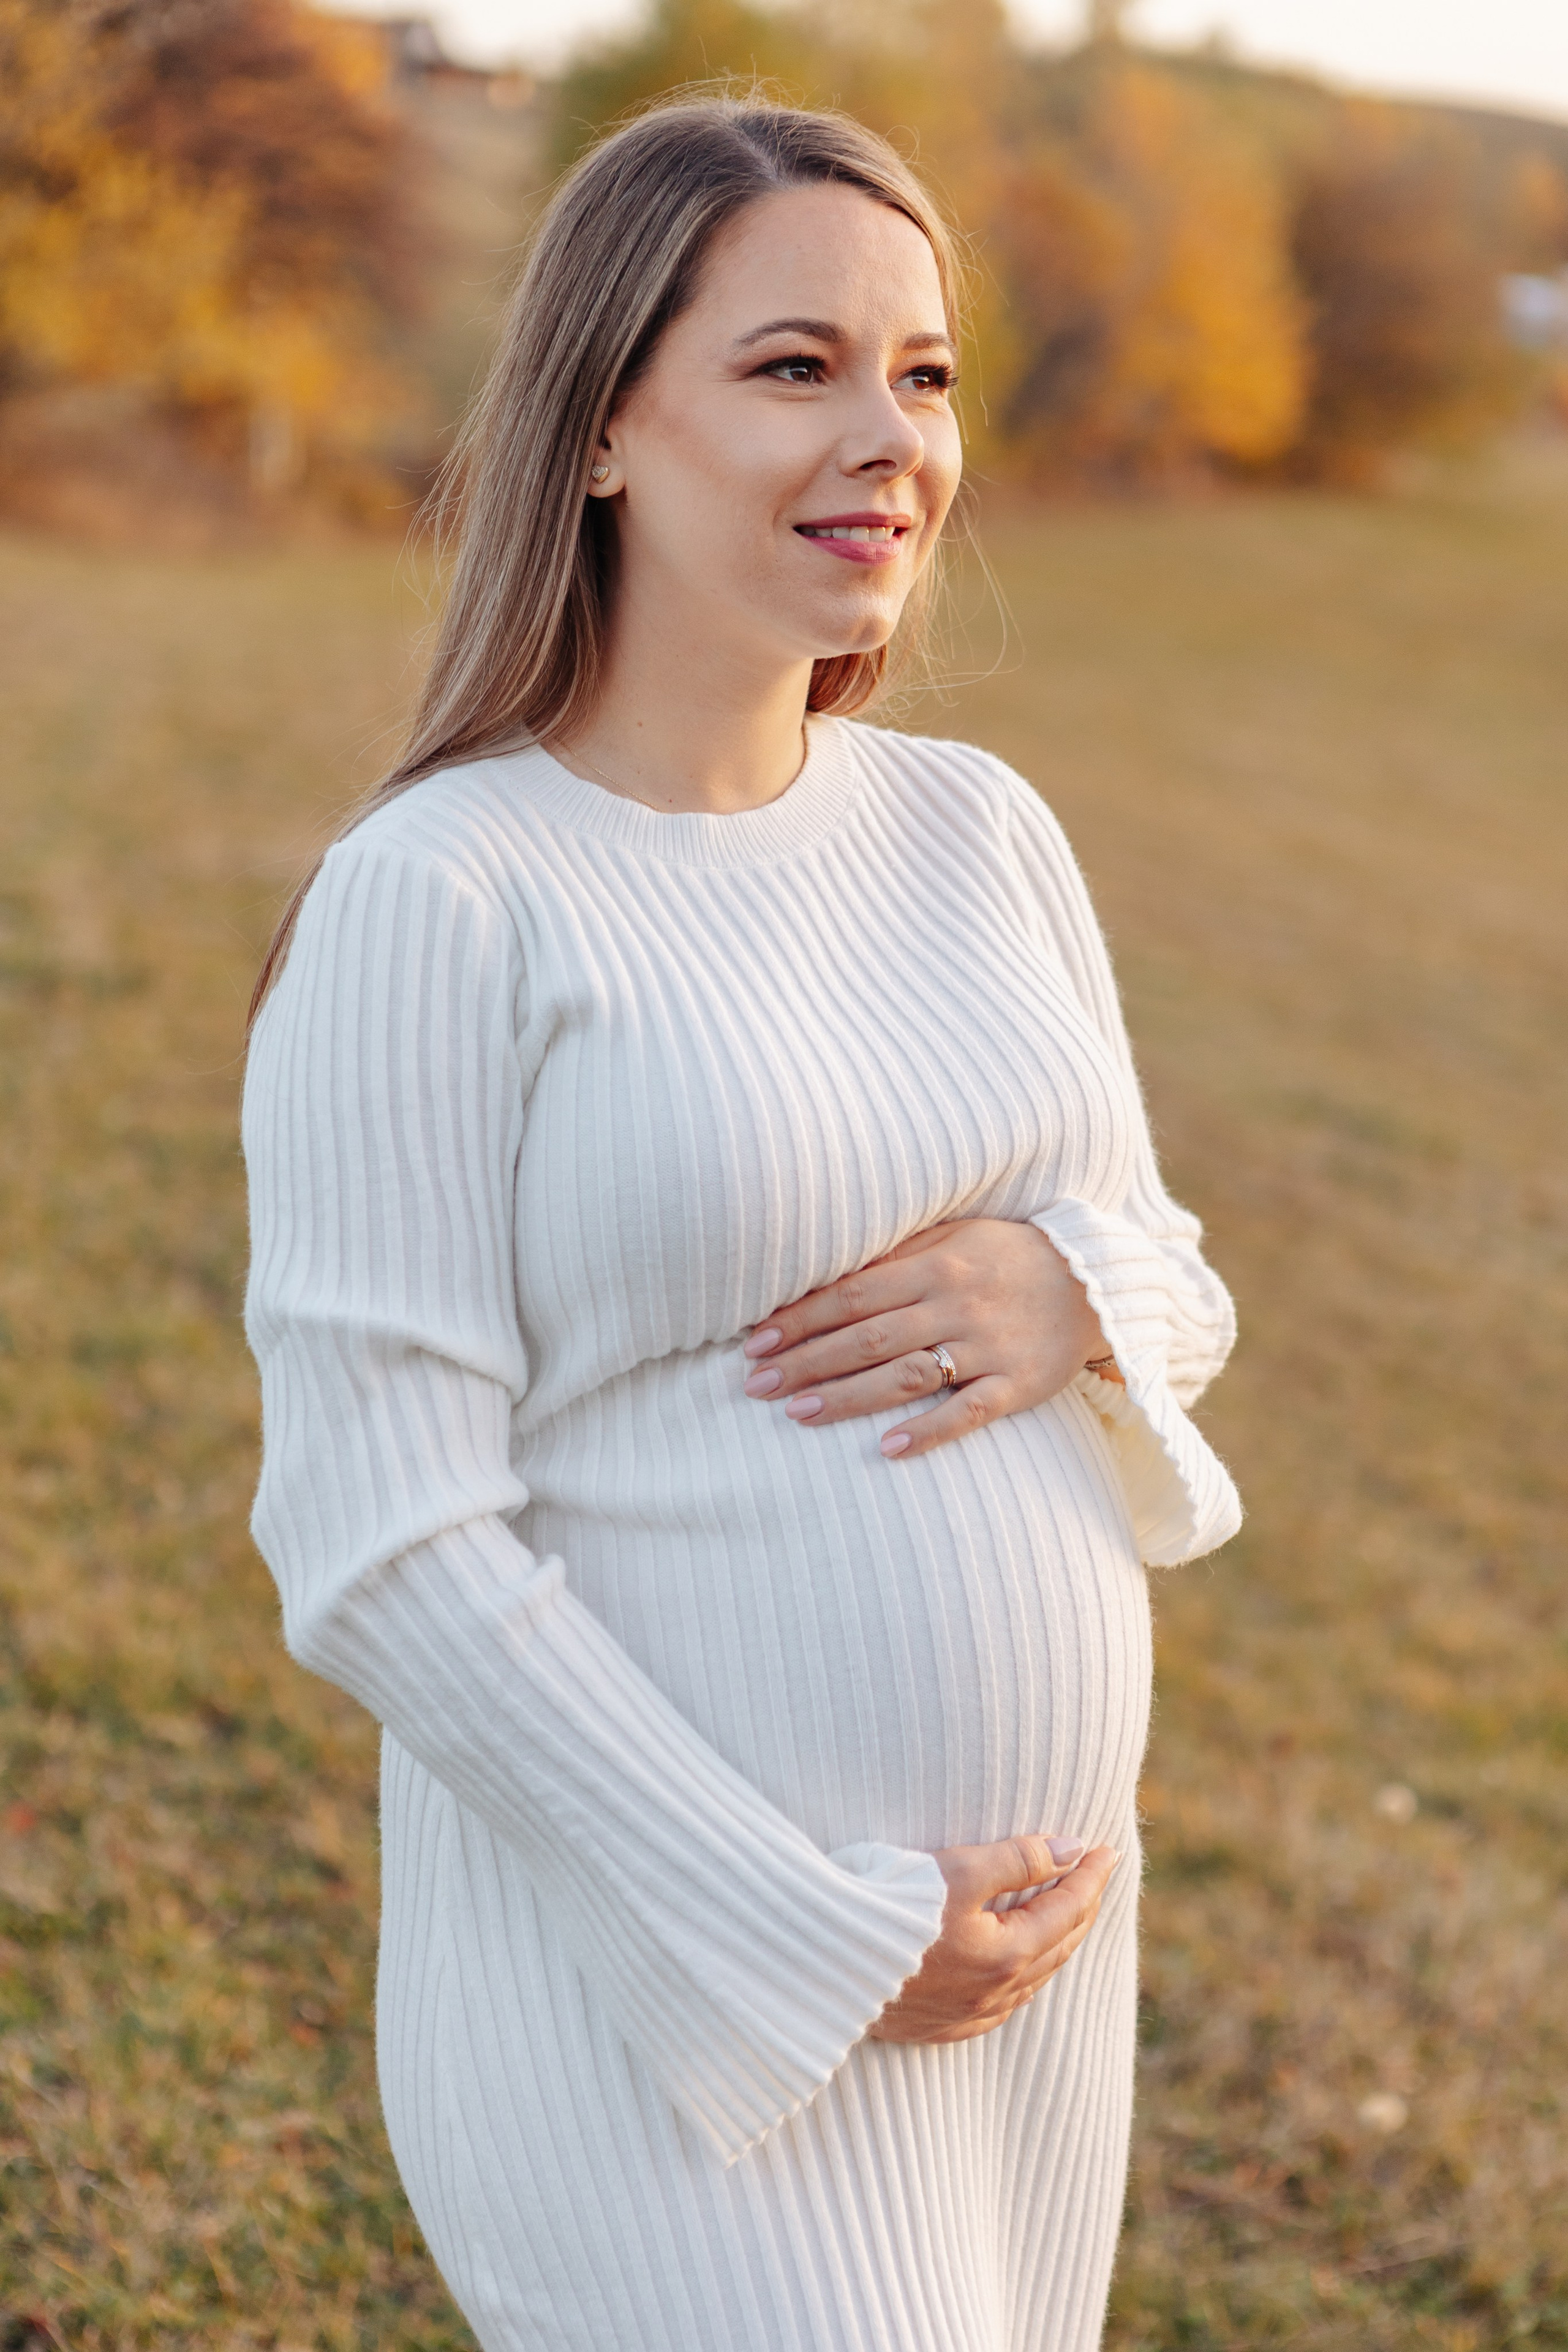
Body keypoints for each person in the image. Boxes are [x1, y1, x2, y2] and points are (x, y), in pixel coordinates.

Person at [243, 93, 1240, 2352]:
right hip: (678, 2008)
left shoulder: (978, 831)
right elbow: (379, 1535)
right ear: (601, 427)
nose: (891, 439)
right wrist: (807, 1932)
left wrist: (1072, 1286)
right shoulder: (444, 896)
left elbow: (1176, 1271)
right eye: (797, 367)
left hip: (1023, 1989)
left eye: (926, 374)